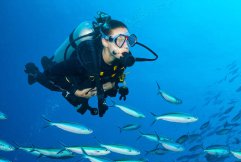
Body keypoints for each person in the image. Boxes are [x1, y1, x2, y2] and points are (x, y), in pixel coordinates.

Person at [24, 12, 157, 117]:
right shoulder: (83, 61)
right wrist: (75, 91)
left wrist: (119, 86)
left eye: (129, 40)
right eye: (120, 40)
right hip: (71, 75)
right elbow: (51, 74)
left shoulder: (121, 57)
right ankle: (34, 71)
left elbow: (118, 74)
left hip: (90, 81)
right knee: (53, 85)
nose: (126, 47)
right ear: (105, 41)